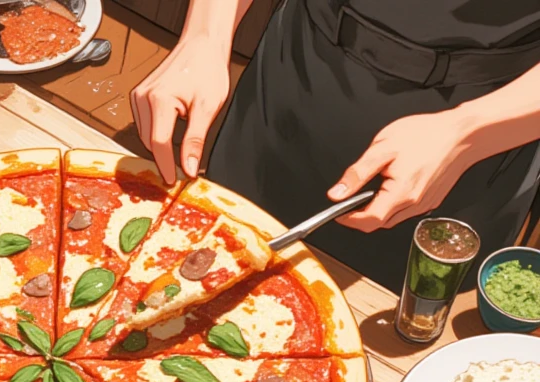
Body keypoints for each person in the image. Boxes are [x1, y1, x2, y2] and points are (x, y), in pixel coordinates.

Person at [131, 0, 540, 291]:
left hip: (485, 117)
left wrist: (469, 133)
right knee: (201, 260)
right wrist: (205, 34)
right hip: (301, 61)